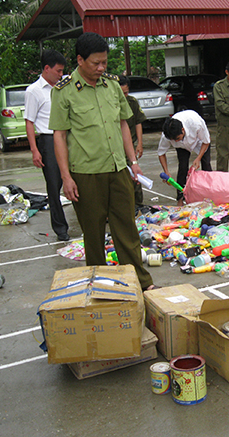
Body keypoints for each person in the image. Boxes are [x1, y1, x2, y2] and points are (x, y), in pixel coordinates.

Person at [49, 32, 155, 290]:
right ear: (80, 60)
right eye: (95, 63)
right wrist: (66, 177)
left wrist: (133, 161)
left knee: (127, 230)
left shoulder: (112, 86)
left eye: (104, 63)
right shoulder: (64, 92)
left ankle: (142, 283)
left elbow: (122, 125)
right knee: (93, 235)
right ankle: (99, 287)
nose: (101, 68)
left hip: (118, 169)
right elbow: (60, 136)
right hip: (86, 174)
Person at [24, 49, 70, 241]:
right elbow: (29, 121)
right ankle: (61, 228)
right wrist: (35, 150)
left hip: (68, 137)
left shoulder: (64, 86)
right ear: (46, 68)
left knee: (77, 179)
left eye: (62, 71)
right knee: (54, 185)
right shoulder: (33, 91)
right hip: (48, 140)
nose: (61, 75)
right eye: (58, 71)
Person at [158, 110, 212, 206]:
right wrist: (166, 171)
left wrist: (198, 158)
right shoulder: (167, 135)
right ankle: (180, 198)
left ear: (183, 130)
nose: (175, 141)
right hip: (182, 148)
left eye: (177, 138)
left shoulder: (196, 124)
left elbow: (206, 141)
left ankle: (210, 194)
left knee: (206, 165)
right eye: (173, 140)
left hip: (199, 141)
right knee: (183, 167)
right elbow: (161, 153)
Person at [118, 75, 146, 208]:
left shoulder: (132, 102)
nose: (124, 96)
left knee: (135, 177)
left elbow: (138, 122)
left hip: (130, 145)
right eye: (121, 93)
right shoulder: (109, 103)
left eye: (126, 92)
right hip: (115, 146)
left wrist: (139, 143)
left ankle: (138, 205)